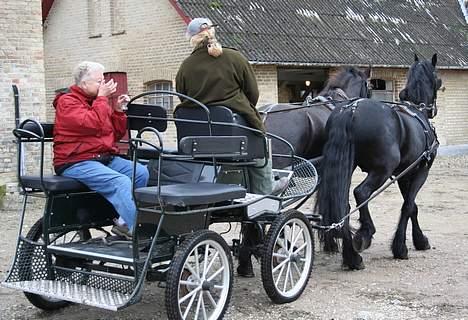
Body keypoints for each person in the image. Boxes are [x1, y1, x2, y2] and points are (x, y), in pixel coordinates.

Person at [175, 18, 288, 277]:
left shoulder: (185, 67)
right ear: (212, 33)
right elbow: (253, 93)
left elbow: (183, 98)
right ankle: (265, 192)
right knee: (261, 150)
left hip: (199, 141)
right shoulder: (234, 57)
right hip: (235, 130)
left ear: (191, 38)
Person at [53, 61, 149, 239]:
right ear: (83, 84)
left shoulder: (97, 102)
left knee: (140, 172)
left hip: (101, 157)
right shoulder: (67, 102)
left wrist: (119, 111)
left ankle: (124, 223)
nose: (103, 85)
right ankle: (142, 233)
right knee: (120, 182)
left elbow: (115, 134)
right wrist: (102, 99)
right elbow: (92, 123)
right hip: (75, 160)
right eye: (99, 81)